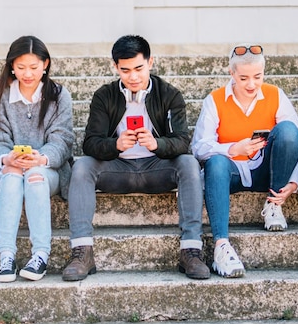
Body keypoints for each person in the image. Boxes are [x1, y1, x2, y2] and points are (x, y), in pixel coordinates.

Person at [62, 34, 210, 281]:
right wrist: (115, 145)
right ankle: (82, 251)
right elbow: (90, 143)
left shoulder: (170, 95)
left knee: (189, 163)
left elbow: (183, 141)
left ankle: (191, 249)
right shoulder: (104, 96)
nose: (133, 77)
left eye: (139, 68)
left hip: (157, 168)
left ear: (150, 62)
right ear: (115, 67)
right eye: (125, 70)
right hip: (118, 169)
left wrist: (157, 144)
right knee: (82, 167)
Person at [192, 44, 298, 277]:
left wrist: (293, 182)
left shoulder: (276, 95)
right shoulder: (214, 100)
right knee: (215, 162)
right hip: (230, 171)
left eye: (257, 76)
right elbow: (199, 147)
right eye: (244, 78)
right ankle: (221, 247)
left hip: (267, 170)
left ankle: (273, 204)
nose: (251, 84)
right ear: (231, 73)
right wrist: (234, 148)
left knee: (287, 130)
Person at [0, 36, 74, 283]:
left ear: (45, 65)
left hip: (47, 168)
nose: (28, 74)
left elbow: (63, 140)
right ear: (12, 66)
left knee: (34, 177)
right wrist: (7, 158)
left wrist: (41, 158)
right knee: (12, 178)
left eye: (34, 67)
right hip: (9, 166)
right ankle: (6, 256)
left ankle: (41, 254)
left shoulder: (58, 96)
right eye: (21, 67)